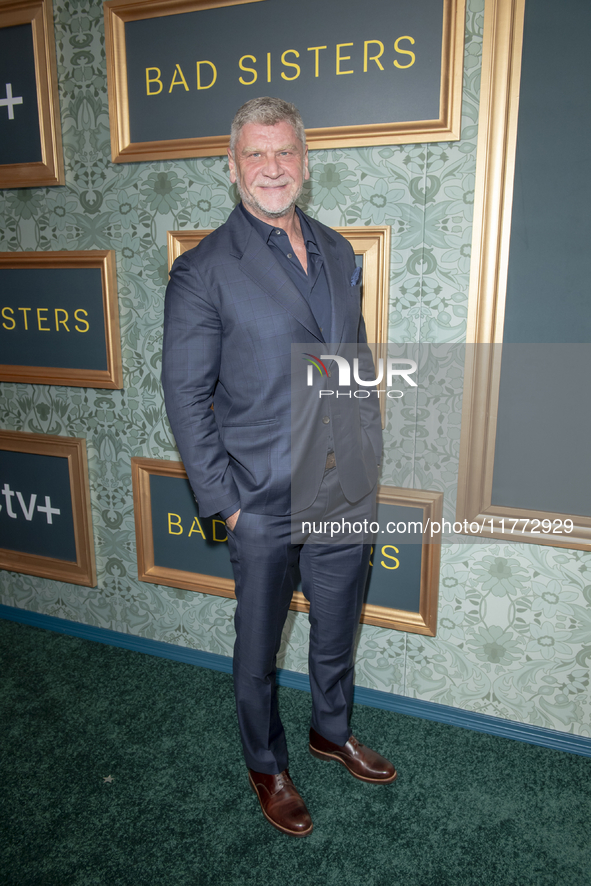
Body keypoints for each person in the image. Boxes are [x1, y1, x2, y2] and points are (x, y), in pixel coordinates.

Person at [162, 97, 396, 838]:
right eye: (256, 155)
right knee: (258, 648)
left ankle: (330, 730)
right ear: (231, 168)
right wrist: (225, 503)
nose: (272, 168)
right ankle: (266, 764)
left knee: (335, 627)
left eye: (285, 153)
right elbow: (185, 394)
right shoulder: (202, 271)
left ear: (304, 161)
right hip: (258, 497)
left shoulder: (334, 249)